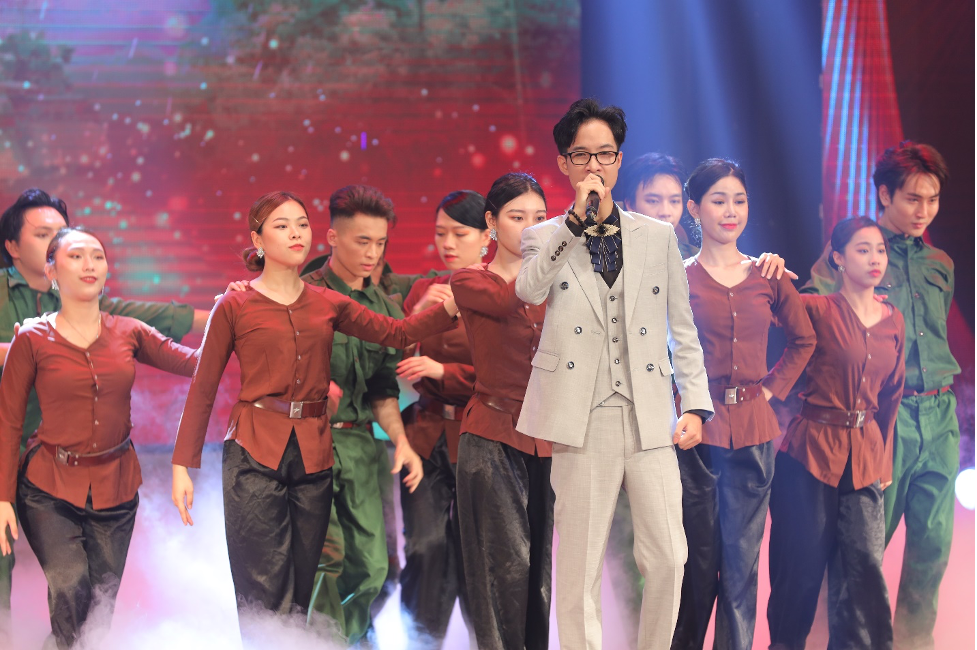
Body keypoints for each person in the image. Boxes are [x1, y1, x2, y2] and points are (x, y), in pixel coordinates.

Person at [170, 191, 457, 636]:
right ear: (258, 240)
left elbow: (397, 332)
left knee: (305, 587)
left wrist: (453, 307)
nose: (296, 233)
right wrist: (181, 465)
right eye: (282, 225)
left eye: (301, 224)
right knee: (262, 586)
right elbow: (203, 386)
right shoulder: (235, 304)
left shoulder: (327, 302)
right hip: (253, 451)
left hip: (313, 455)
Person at [514, 98, 713, 650]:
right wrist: (574, 224)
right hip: (581, 416)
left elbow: (683, 327)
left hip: (650, 412)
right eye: (582, 155)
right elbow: (529, 291)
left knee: (669, 557)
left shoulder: (657, 236)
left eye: (605, 154)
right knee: (580, 565)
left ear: (620, 160)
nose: (595, 165)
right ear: (564, 163)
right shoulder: (545, 236)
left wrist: (696, 404)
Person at [0, 188, 209, 641]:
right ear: (52, 271)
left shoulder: (129, 330)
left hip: (116, 486)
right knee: (69, 585)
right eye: (76, 256)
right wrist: (3, 499)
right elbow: (10, 421)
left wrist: (239, 319)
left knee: (100, 605)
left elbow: (195, 364)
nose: (89, 264)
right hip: (49, 487)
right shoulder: (31, 338)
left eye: (97, 256)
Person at [802, 142, 958, 650]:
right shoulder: (856, 251)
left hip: (941, 413)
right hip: (883, 416)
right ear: (885, 194)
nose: (923, 210)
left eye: (932, 199)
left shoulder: (940, 262)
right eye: (913, 198)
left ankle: (915, 641)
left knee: (933, 545)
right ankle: (840, 640)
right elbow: (811, 311)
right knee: (864, 548)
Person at [671, 159, 816, 650]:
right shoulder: (678, 278)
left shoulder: (768, 275)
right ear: (694, 208)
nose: (730, 211)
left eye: (739, 200)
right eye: (718, 201)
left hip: (754, 435)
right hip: (696, 435)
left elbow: (804, 340)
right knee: (695, 567)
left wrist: (771, 391)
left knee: (741, 567)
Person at [769, 216, 906, 649]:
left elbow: (892, 397)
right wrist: (769, 269)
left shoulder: (894, 320)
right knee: (799, 570)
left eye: (880, 250)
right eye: (863, 250)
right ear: (838, 258)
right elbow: (767, 305)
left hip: (865, 458)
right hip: (811, 452)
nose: (874, 258)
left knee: (863, 570)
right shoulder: (818, 308)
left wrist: (884, 461)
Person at [298, 185, 425, 645]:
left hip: (359, 444)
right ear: (332, 237)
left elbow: (383, 391)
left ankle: (347, 639)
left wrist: (403, 443)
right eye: (362, 241)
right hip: (306, 442)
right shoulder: (300, 294)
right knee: (324, 561)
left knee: (373, 568)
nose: (373, 254)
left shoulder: (386, 310)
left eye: (381, 243)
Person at [450, 173, 551, 650]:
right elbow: (513, 297)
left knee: (541, 574)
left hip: (549, 438)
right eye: (517, 217)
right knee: (504, 570)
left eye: (540, 218)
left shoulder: (559, 281)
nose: (531, 228)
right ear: (491, 222)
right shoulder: (470, 279)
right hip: (493, 438)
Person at [394, 189, 487, 645]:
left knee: (479, 556)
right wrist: (416, 316)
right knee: (424, 546)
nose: (447, 243)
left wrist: (443, 371)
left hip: (481, 435)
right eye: (440, 233)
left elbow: (513, 373)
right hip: (425, 434)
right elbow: (390, 359)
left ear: (487, 235)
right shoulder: (423, 289)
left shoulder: (501, 291)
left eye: (460, 233)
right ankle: (420, 641)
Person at [618, 152, 699, 259]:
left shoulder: (695, 259)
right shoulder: (610, 257)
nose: (666, 212)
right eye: (653, 201)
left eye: (674, 201)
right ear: (630, 205)